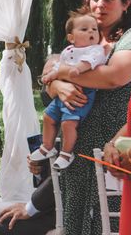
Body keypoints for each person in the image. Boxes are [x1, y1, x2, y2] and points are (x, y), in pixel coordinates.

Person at [44, 0, 131, 235]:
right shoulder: (86, 36)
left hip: (114, 144)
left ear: (126, 3)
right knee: (73, 221)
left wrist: (62, 73)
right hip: (78, 146)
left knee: (108, 224)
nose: (100, 5)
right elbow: (50, 70)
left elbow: (113, 77)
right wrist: (57, 84)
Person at [31, 9, 107, 170]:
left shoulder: (96, 50)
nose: (91, 32)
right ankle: (47, 146)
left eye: (94, 29)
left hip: (82, 94)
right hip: (61, 96)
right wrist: (51, 76)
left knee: (68, 124)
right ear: (71, 37)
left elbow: (90, 62)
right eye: (84, 29)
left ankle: (66, 153)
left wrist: (77, 69)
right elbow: (59, 66)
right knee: (48, 117)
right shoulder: (68, 51)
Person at [0, 158, 56, 235]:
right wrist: (40, 171)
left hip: (63, 216)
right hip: (52, 206)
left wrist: (29, 208)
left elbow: (59, 178)